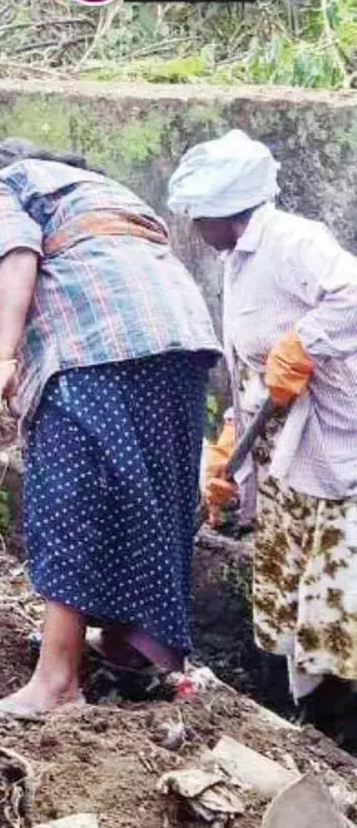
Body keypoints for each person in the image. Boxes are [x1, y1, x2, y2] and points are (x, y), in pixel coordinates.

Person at [0, 138, 221, 720]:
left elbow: (15, 257)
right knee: (153, 496)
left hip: (98, 343)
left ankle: (56, 680)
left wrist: (2, 353)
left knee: (72, 496)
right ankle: (127, 654)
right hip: (182, 337)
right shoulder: (109, 191)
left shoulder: (6, 184)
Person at [170, 129, 357, 702]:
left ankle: (334, 714)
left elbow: (353, 292)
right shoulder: (238, 255)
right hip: (278, 445)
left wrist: (305, 344)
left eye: (201, 217)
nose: (197, 231)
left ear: (230, 210)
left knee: (331, 584)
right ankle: (289, 699)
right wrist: (229, 442)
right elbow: (251, 363)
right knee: (285, 570)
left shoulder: (294, 240)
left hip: (330, 444)